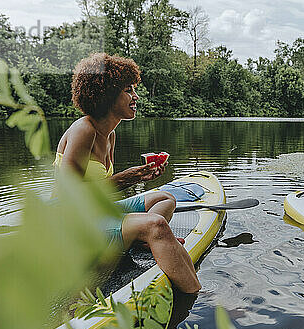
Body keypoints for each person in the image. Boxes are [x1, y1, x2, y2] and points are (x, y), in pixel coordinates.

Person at [54, 53, 200, 293]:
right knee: (157, 225)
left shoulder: (110, 133)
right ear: (106, 95)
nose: (136, 97)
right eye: (128, 90)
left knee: (164, 198)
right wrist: (125, 178)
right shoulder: (84, 130)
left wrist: (140, 177)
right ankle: (199, 295)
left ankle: (139, 239)